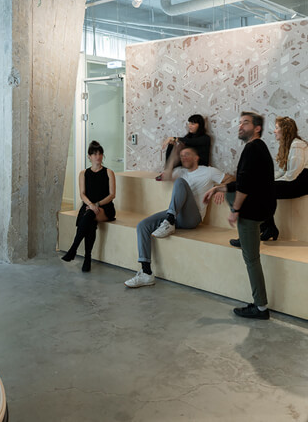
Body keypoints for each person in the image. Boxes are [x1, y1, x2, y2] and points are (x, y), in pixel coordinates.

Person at [125, 146, 231, 288]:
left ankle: (169, 221)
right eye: (181, 156)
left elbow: (232, 178)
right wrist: (173, 157)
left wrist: (220, 189)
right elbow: (164, 178)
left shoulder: (208, 171)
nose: (183, 157)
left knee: (180, 182)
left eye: (187, 154)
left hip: (193, 218)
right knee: (142, 225)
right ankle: (146, 273)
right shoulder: (179, 171)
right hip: (175, 215)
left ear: (196, 158)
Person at [203, 111, 276, 320]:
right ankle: (249, 235)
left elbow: (244, 186)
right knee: (229, 190)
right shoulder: (258, 147)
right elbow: (244, 181)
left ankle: (260, 308)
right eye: (240, 123)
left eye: (246, 123)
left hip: (252, 212)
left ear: (257, 128)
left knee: (251, 259)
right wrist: (217, 188)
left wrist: (235, 210)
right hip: (263, 209)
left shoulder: (252, 148)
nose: (240, 126)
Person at [230, 116, 308, 246]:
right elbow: (281, 172)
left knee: (263, 190)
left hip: (303, 183)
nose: (274, 131)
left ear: (285, 130)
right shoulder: (286, 145)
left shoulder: (297, 145)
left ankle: (260, 231)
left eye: (277, 128)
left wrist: (267, 183)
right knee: (261, 188)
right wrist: (266, 180)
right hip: (295, 181)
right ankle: (268, 228)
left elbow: (292, 175)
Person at [61, 141, 116, 272]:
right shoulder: (83, 173)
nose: (98, 156)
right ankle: (87, 258)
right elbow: (82, 194)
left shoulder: (109, 172)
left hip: (105, 207)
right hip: (88, 206)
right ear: (89, 156)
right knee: (90, 220)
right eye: (95, 154)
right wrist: (91, 204)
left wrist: (96, 205)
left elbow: (112, 195)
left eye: (100, 153)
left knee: (90, 215)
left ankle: (73, 249)